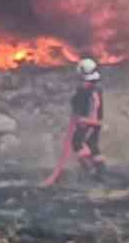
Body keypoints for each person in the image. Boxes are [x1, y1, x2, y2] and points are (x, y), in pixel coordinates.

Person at [43, 58, 108, 186]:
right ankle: (102, 174)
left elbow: (90, 108)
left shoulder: (88, 91)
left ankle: (93, 173)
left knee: (77, 143)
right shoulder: (95, 88)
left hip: (88, 123)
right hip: (93, 123)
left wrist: (85, 120)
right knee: (92, 145)